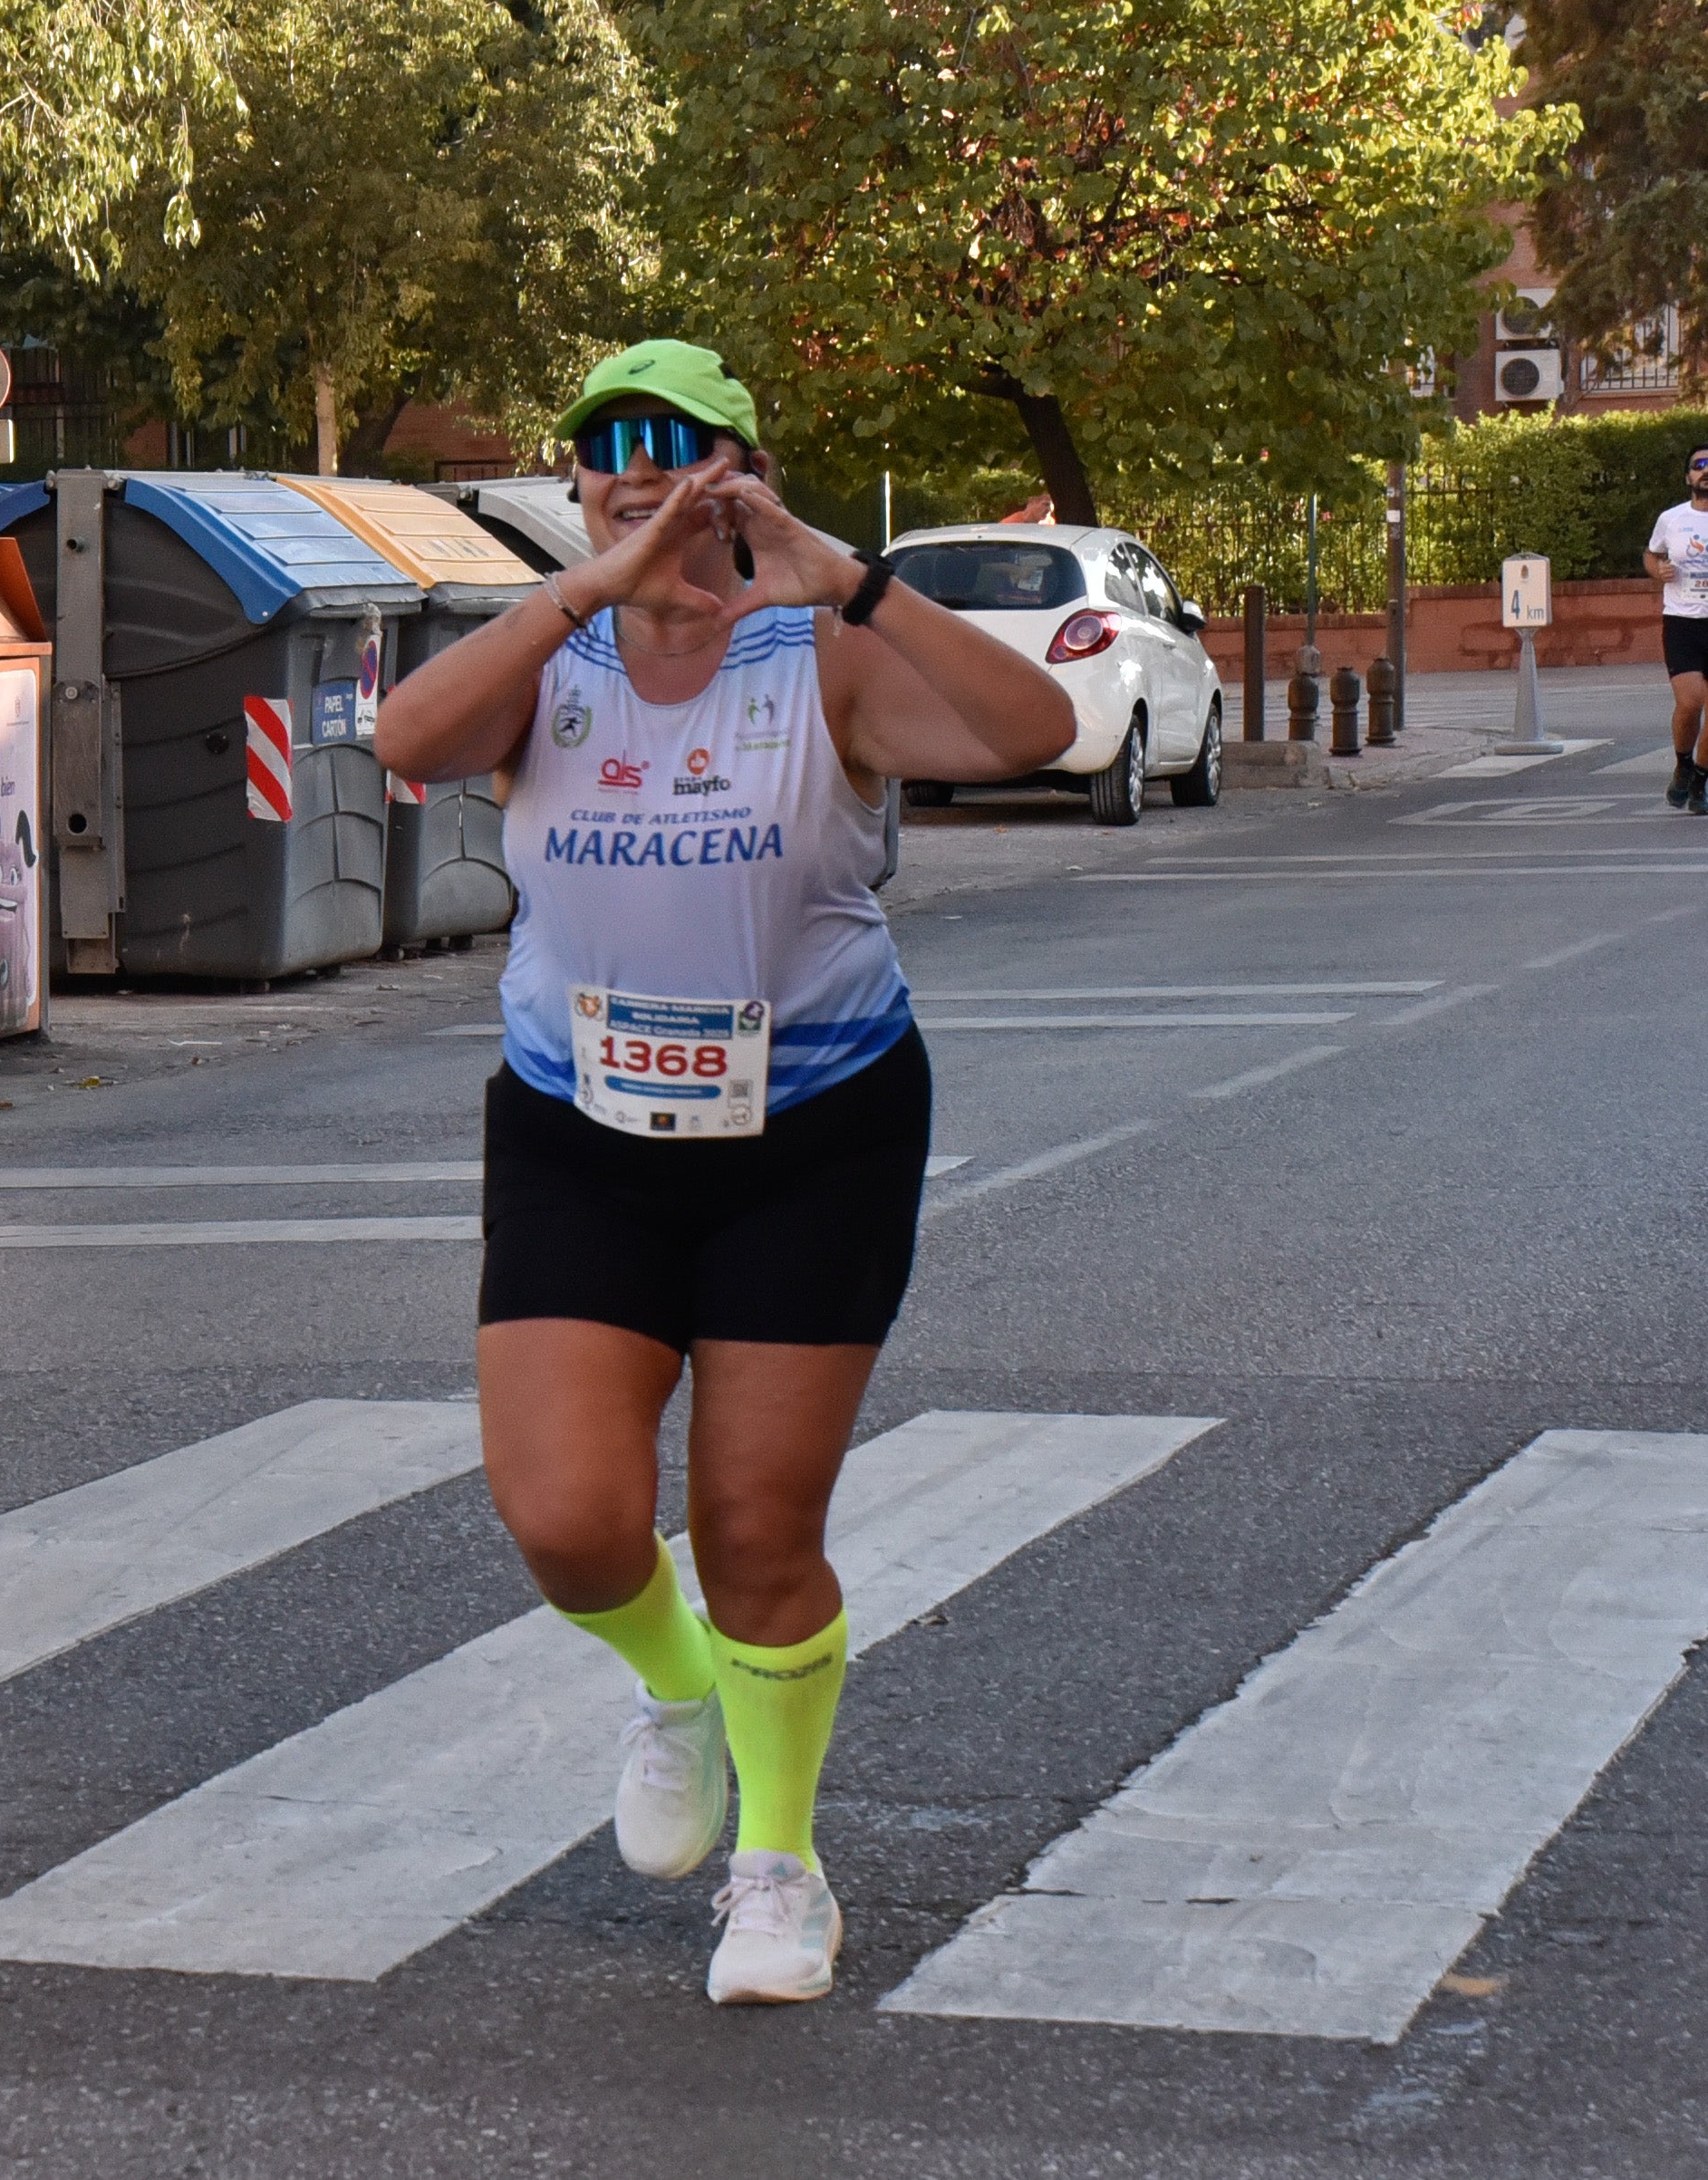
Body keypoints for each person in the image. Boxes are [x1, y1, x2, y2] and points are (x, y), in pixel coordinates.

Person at [374, 340, 1073, 2004]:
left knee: (755, 1525)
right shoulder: (551, 656)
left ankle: (779, 1869)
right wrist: (582, 591)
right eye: (606, 448)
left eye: (675, 442)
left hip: (813, 1132)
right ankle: (676, 1682)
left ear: (742, 470)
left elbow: (1036, 729)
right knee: (566, 1520)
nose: (639, 469)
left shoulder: (817, 651)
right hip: (578, 1131)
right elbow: (408, 738)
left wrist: (853, 580)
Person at [1645, 447, 1708, 809]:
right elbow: (1651, 554)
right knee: (1690, 703)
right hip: (1683, 622)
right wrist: (1659, 570)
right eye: (1700, 465)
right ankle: (1683, 764)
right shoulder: (1671, 519)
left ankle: (1700, 782)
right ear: (1689, 477)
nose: (1706, 471)